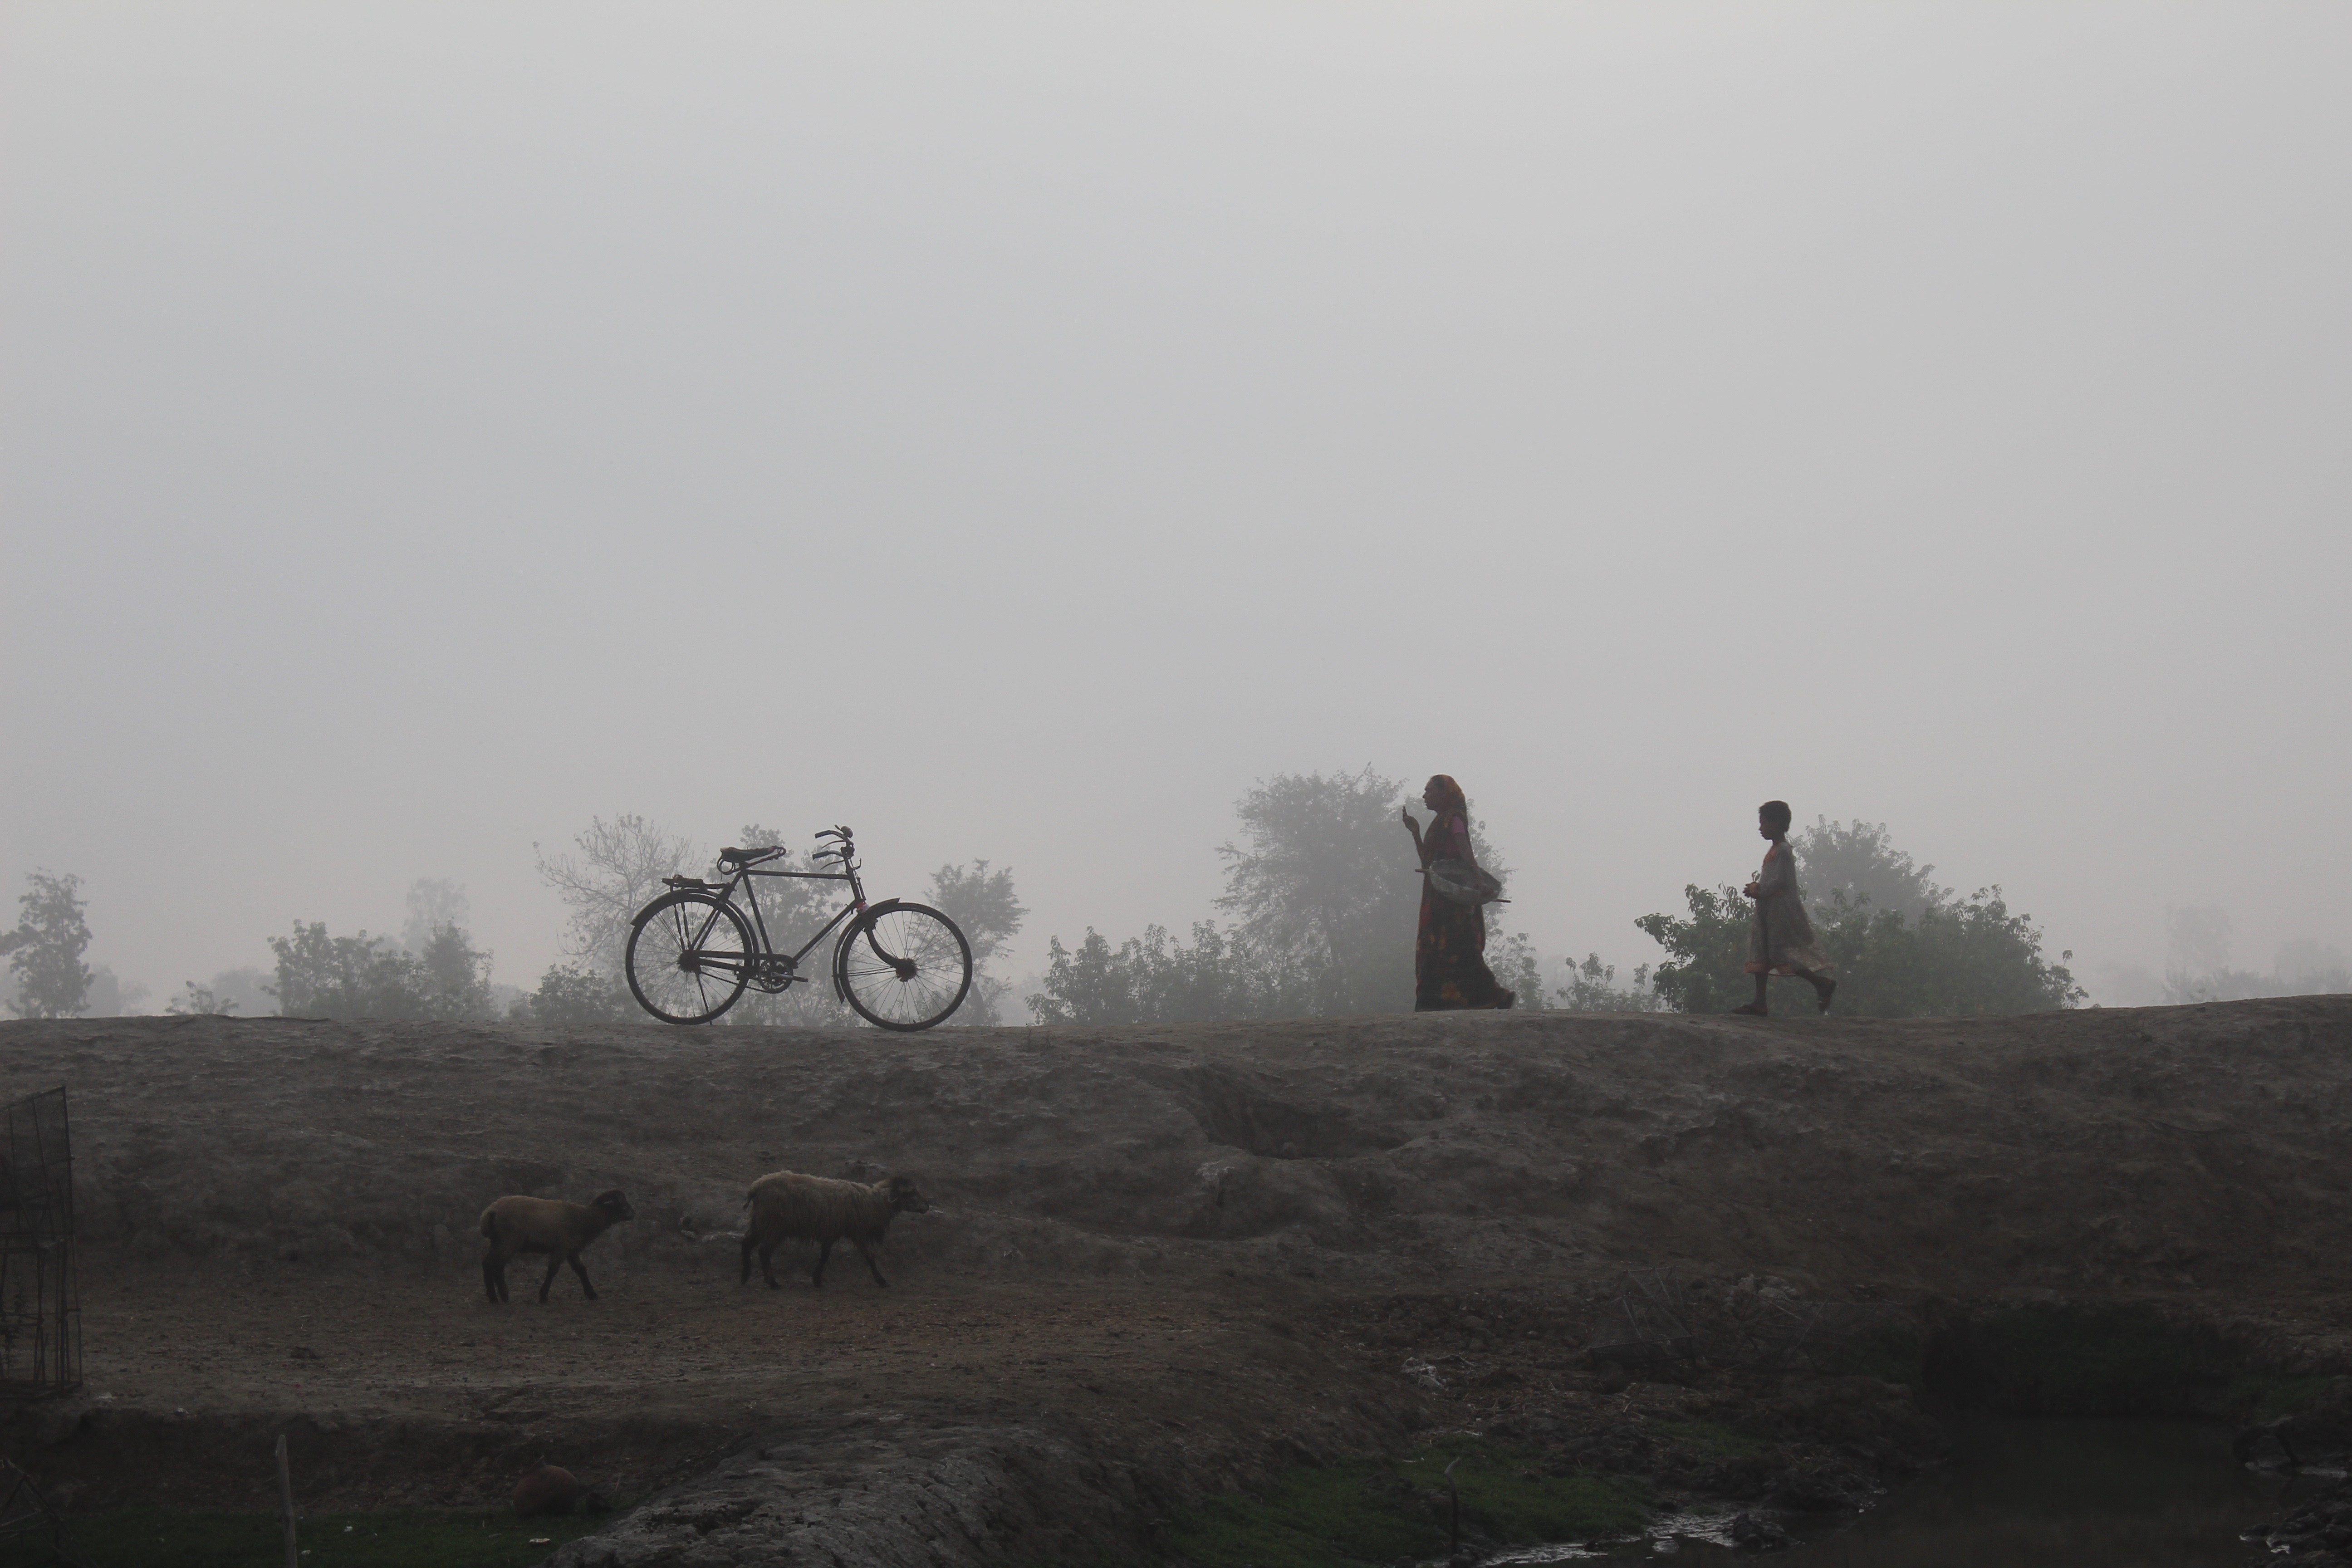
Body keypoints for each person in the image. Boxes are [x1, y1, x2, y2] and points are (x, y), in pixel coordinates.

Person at [1400, 774, 1515, 1011]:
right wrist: (1415, 833)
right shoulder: (1438, 823)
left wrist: (1477, 878)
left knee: (1460, 950)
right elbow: (1429, 864)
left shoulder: (1454, 820)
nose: (1424, 796)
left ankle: (1493, 997)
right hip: (1437, 897)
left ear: (1445, 794)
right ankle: (1434, 1003)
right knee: (1437, 950)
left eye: (1429, 791)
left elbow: (1464, 849)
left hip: (1453, 904)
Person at [1735, 799, 1836, 1016]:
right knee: (1762, 953)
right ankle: (1760, 1002)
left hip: (1779, 912)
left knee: (1781, 954)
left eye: (1764, 824)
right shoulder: (1775, 851)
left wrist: (1757, 889)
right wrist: (1758, 891)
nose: (1760, 828)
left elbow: (1780, 882)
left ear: (1777, 823)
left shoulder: (1783, 851)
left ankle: (1822, 983)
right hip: (1768, 910)